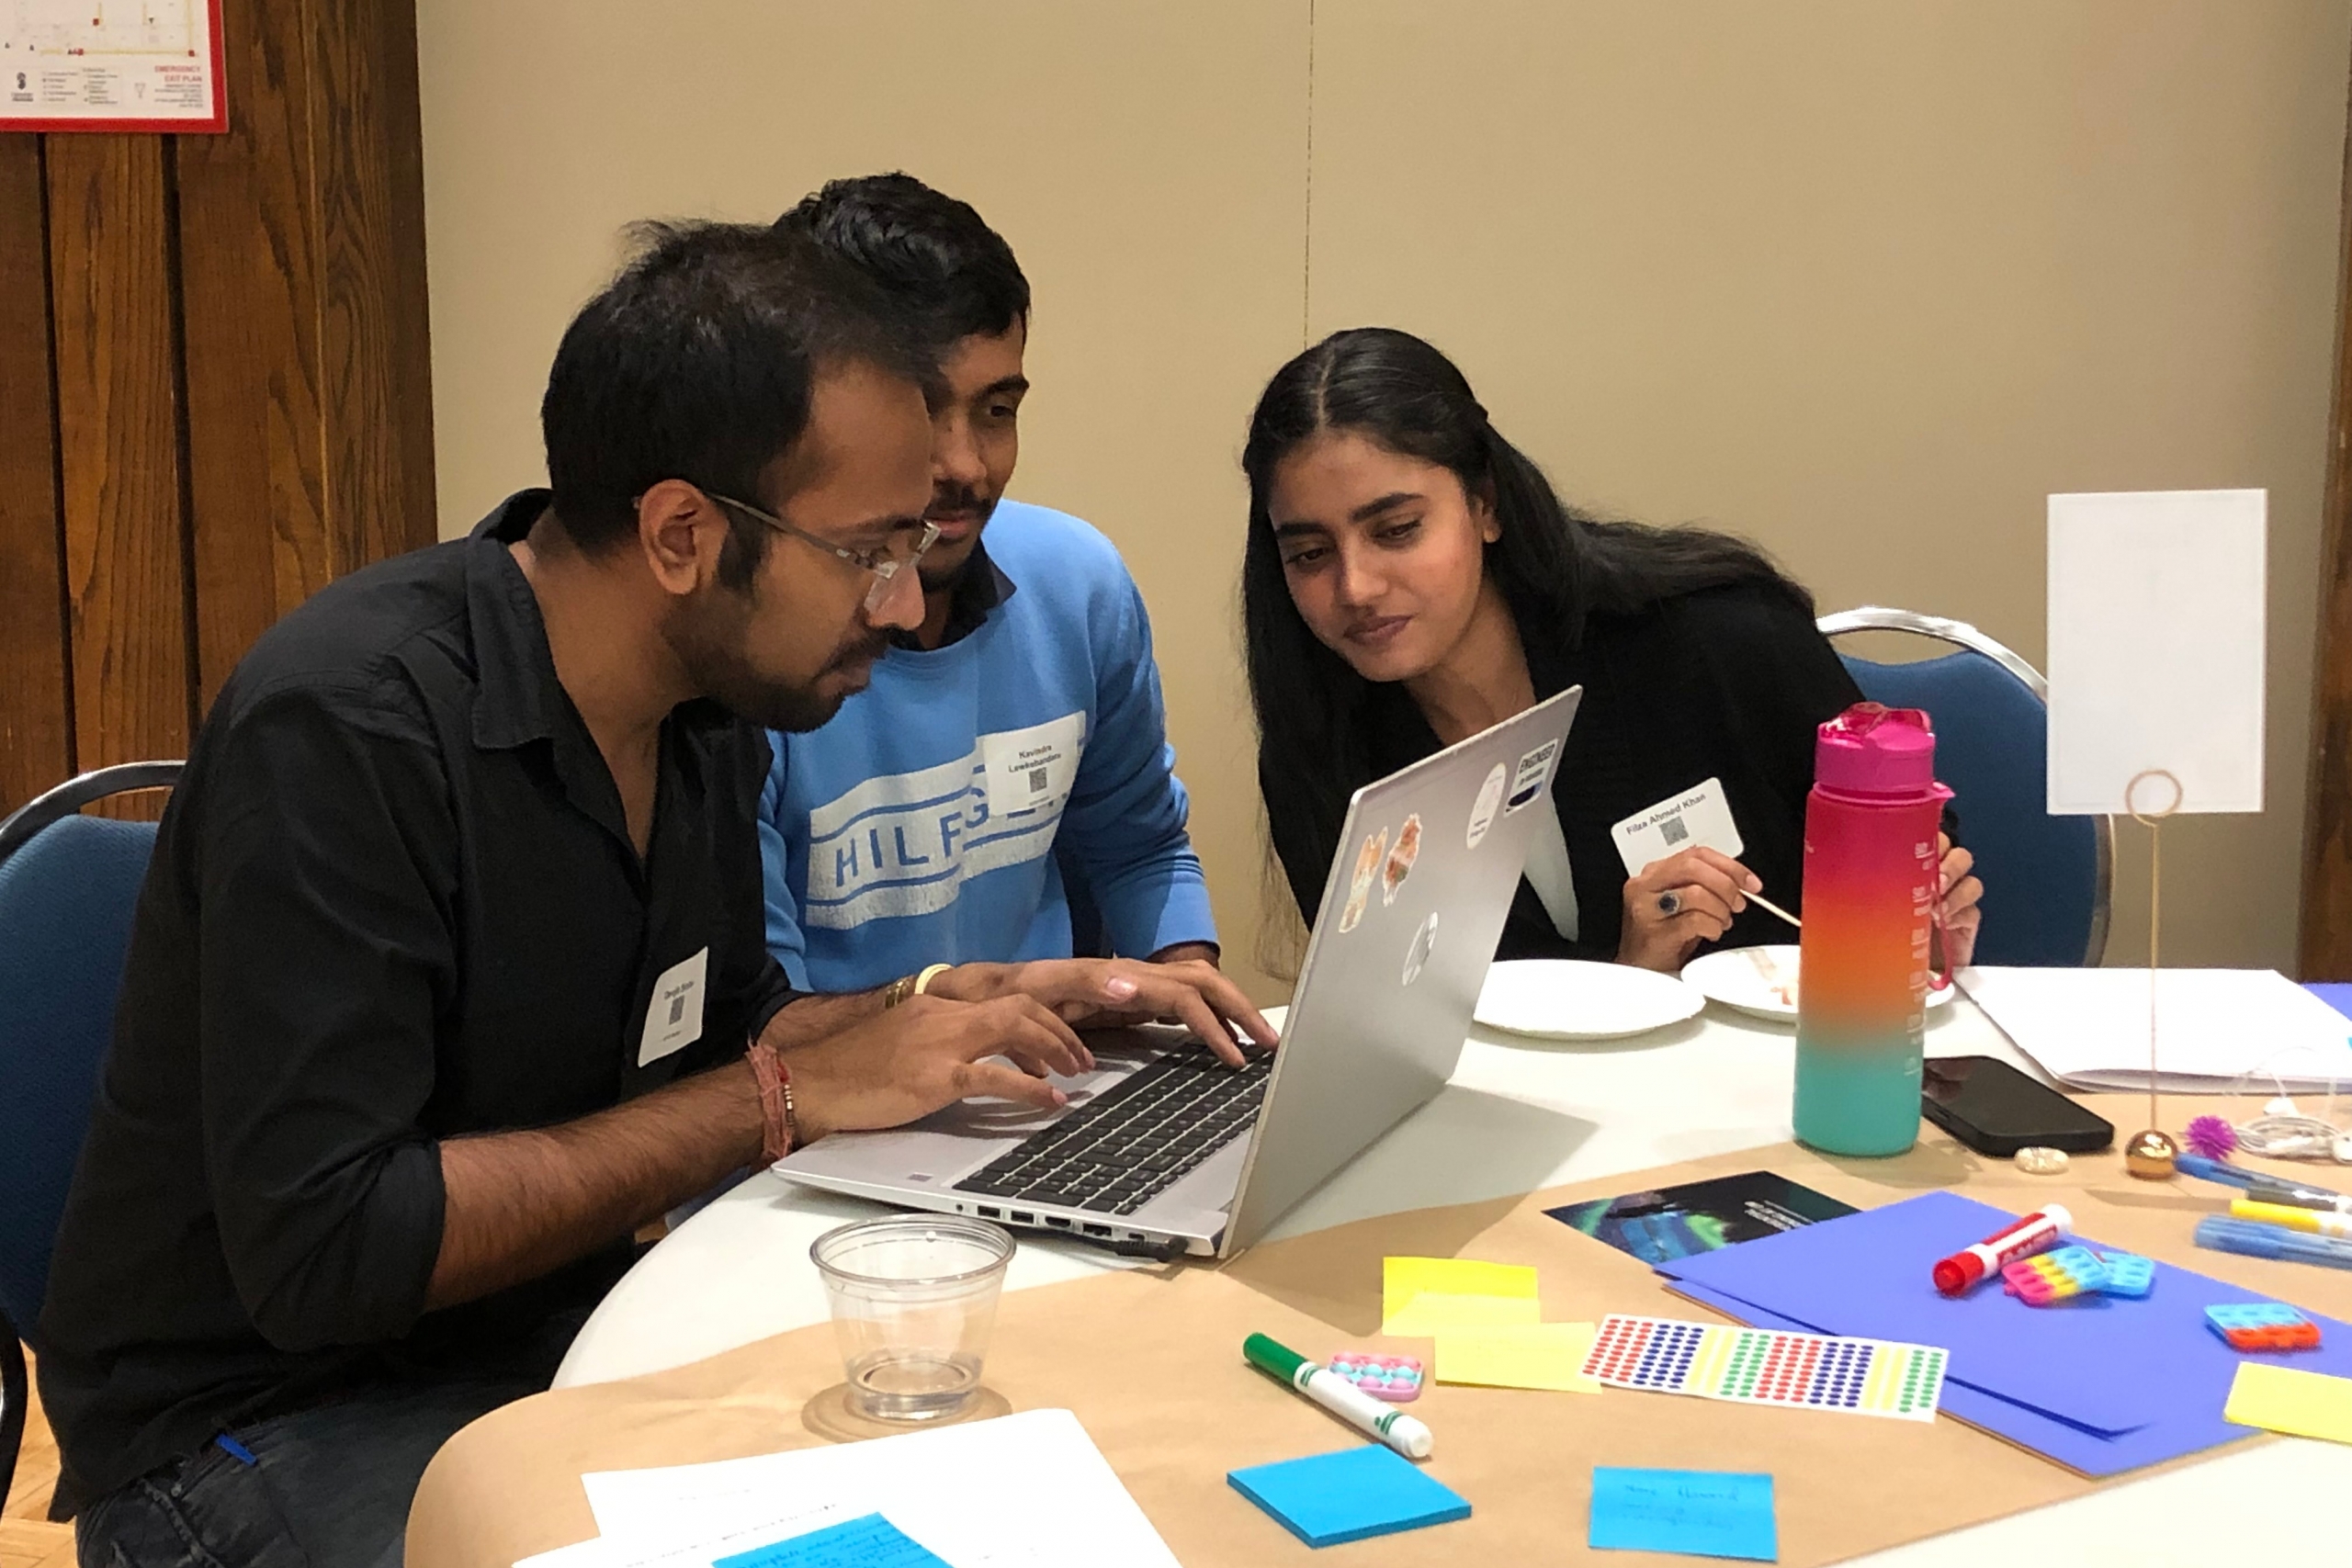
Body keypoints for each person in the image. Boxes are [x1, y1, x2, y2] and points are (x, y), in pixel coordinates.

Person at [39, 220, 1266, 1568]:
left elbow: (732, 1029)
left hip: (551, 1344)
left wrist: (936, 1003)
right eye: (869, 551)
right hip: (262, 1420)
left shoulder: (704, 709)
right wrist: (778, 1097)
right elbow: (332, 1244)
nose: (909, 605)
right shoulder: (351, 727)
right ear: (683, 533)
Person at [1240, 326, 1984, 975]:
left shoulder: (1718, 639)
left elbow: (1905, 851)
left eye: (1397, 530)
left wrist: (1924, 915)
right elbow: (1409, 1046)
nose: (1357, 585)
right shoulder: (1323, 760)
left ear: (1486, 504)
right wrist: (1630, 977)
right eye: (1309, 554)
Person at [756, 174, 1227, 1001]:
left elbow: (1141, 849)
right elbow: (756, 1026)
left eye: (997, 410)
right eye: (923, 413)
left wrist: (1183, 994)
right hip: (835, 1116)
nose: (967, 467)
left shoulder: (1076, 584)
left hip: (1054, 1085)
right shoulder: (754, 650)